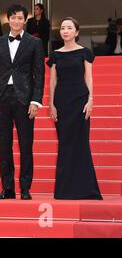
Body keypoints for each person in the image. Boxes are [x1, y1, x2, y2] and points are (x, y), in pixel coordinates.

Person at [0, 4, 45, 200]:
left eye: (20, 18)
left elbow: (39, 74)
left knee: (25, 144)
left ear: (25, 20)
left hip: (25, 98)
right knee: (4, 145)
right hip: (2, 97)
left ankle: (26, 188)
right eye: (13, 18)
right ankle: (8, 189)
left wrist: (36, 100)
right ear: (8, 19)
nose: (16, 21)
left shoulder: (34, 43)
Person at [47, 17, 102, 200]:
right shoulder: (55, 54)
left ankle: (85, 190)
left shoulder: (84, 53)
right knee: (65, 145)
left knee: (80, 144)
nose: (65, 31)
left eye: (69, 28)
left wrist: (91, 100)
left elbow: (89, 78)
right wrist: (51, 104)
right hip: (62, 103)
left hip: (80, 101)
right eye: (63, 28)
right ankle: (64, 191)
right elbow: (53, 81)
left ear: (76, 32)